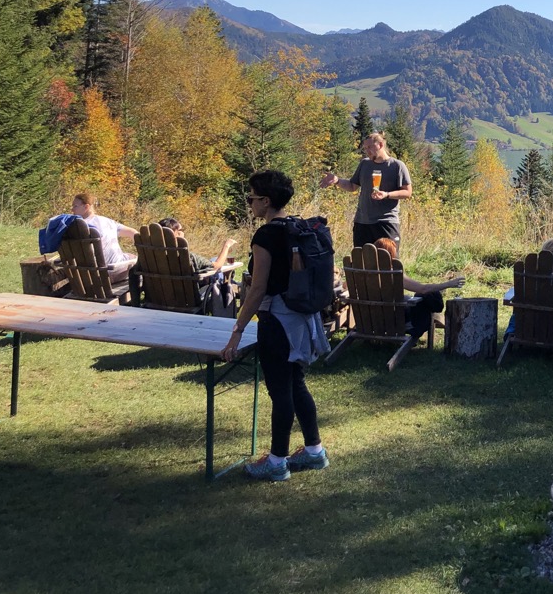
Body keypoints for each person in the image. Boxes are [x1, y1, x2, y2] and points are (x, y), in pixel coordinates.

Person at [221, 170, 329, 482]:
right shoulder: (296, 226)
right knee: (296, 385)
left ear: (266, 201)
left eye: (252, 198)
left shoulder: (265, 236)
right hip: (301, 319)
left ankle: (277, 461)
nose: (249, 203)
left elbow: (257, 289)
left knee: (281, 390)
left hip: (278, 321)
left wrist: (237, 330)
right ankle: (314, 452)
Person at [320, 131, 412, 248]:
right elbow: (352, 186)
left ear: (380, 145)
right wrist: (337, 180)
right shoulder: (365, 164)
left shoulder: (397, 166)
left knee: (388, 262)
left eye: (370, 147)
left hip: (386, 222)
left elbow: (407, 192)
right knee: (362, 262)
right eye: (365, 148)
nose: (367, 151)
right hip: (362, 222)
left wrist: (387, 194)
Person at [373, 237, 464, 339]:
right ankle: (417, 328)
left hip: (371, 320)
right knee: (424, 296)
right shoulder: (393, 273)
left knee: (420, 296)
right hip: (393, 320)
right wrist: (448, 284)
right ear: (391, 255)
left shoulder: (361, 272)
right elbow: (423, 289)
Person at [71, 193, 138, 282]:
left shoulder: (73, 227)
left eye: (75, 206)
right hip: (112, 273)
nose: (72, 209)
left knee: (128, 256)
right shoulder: (107, 222)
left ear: (86, 207)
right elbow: (132, 233)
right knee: (135, 259)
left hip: (86, 276)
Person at [157, 217, 237, 274]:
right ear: (176, 233)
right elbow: (216, 266)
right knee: (219, 273)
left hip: (159, 293)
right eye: (181, 230)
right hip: (190, 295)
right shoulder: (187, 257)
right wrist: (227, 246)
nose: (183, 233)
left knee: (214, 258)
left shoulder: (151, 256)